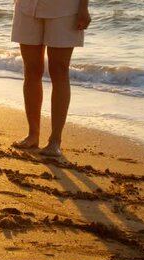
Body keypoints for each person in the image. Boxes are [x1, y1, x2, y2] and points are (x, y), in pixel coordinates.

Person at [11, 0, 91, 156]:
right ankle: (33, 135)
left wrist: (83, 7)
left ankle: (55, 141)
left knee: (59, 69)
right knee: (31, 69)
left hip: (65, 8)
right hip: (26, 6)